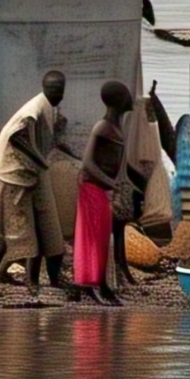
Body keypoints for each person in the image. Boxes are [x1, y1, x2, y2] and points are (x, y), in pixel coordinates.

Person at [0, 71, 68, 295]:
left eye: (59, 89)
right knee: (24, 236)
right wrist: (40, 160)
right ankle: (27, 281)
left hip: (32, 173)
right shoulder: (34, 109)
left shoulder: (49, 108)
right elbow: (17, 137)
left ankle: (54, 279)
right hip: (15, 174)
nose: (57, 93)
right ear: (45, 88)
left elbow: (53, 141)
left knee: (50, 233)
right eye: (53, 88)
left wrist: (75, 157)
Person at [73, 80, 134, 305]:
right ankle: (88, 285)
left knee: (103, 237)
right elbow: (87, 163)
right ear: (119, 101)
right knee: (91, 236)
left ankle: (103, 284)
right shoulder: (103, 126)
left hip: (104, 189)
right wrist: (111, 182)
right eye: (127, 96)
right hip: (92, 187)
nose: (131, 100)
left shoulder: (116, 127)